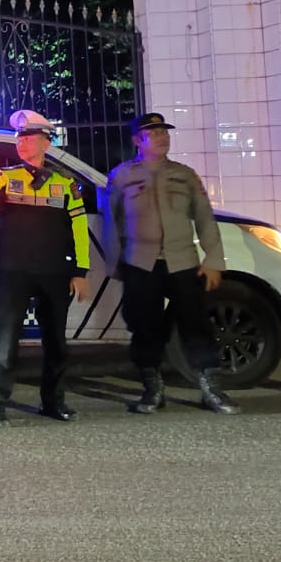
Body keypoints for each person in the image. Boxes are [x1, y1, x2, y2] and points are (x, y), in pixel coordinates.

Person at [104, 112, 240, 416]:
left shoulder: (185, 175)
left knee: (196, 324)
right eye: (153, 133)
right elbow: (111, 222)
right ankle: (152, 388)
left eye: (164, 132)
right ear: (137, 140)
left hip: (182, 261)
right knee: (145, 326)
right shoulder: (121, 176)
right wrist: (115, 263)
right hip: (140, 262)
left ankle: (210, 388)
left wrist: (214, 260)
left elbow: (205, 218)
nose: (162, 137)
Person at [0, 110, 90, 428]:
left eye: (28, 138)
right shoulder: (5, 177)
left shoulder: (65, 184)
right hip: (15, 272)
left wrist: (80, 272)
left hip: (54, 272)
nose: (21, 144)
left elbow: (79, 230)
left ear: (46, 143)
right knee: (6, 341)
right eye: (19, 138)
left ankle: (53, 402)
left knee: (56, 343)